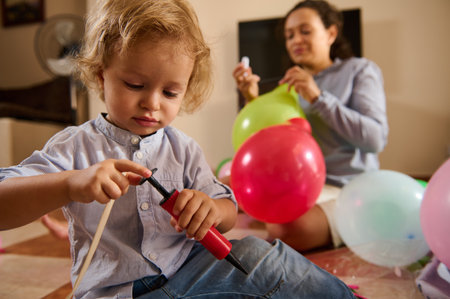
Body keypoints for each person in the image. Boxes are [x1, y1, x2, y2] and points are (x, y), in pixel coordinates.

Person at [0, 0, 356, 298]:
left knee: (264, 258)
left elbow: (229, 210)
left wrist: (212, 209)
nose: (152, 103)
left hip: (189, 276)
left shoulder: (182, 148)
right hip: (115, 294)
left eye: (171, 92)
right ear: (100, 75)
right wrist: (69, 183)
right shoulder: (74, 146)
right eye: (135, 84)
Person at [232, 0, 388, 252]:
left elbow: (375, 139)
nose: (295, 40)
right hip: (299, 184)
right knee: (225, 184)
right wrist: (252, 99)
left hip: (346, 187)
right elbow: (268, 142)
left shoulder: (360, 70)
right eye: (289, 35)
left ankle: (356, 220)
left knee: (284, 230)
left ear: (331, 33)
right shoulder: (289, 86)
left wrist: (318, 98)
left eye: (305, 31)